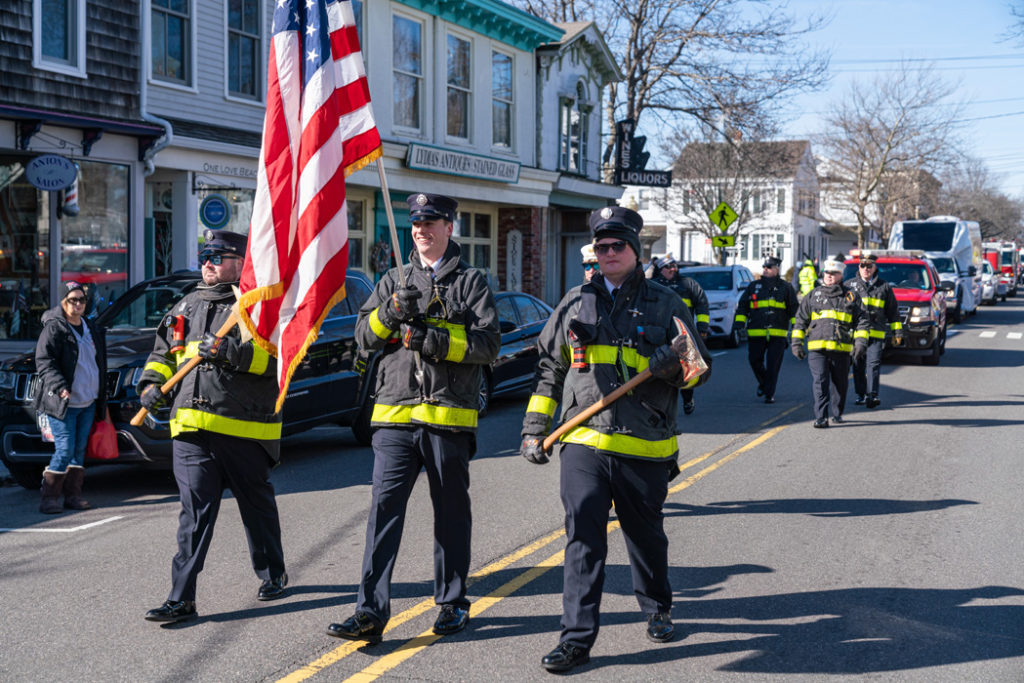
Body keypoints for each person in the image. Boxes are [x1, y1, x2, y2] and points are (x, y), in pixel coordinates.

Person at [519, 206, 712, 673]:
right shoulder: (573, 303)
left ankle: (657, 605)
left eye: (617, 246)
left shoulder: (667, 304)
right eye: (601, 247)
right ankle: (576, 638)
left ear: (635, 250)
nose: (608, 253)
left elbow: (699, 373)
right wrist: (534, 429)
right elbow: (550, 370)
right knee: (583, 537)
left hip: (644, 444)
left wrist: (676, 368)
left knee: (645, 538)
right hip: (583, 443)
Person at [327, 193, 500, 642]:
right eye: (415, 222)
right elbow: (364, 337)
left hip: (448, 421)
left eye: (430, 221)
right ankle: (369, 613)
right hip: (394, 419)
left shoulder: (471, 283)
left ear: (449, 227)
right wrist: (390, 312)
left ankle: (452, 603)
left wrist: (435, 341)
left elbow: (488, 347)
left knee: (450, 516)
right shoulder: (392, 280)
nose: (420, 229)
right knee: (382, 514)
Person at [140, 229, 287, 624]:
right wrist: (151, 386)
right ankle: (181, 598)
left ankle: (273, 572)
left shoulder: (258, 307)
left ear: (242, 263)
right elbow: (162, 355)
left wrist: (230, 353)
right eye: (206, 255)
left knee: (256, 509)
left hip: (245, 429)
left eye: (219, 256)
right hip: (190, 428)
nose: (208, 262)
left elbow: (277, 366)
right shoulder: (185, 305)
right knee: (193, 514)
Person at [33, 281, 107, 514]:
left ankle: (73, 496)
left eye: (81, 300)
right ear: (63, 302)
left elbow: (98, 361)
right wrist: (60, 386)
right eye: (72, 300)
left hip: (88, 400)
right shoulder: (55, 327)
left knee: (78, 450)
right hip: (63, 402)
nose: (77, 304)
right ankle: (49, 498)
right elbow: (44, 362)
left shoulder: (91, 327)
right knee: (64, 450)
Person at [791, 259, 869, 428]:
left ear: (841, 275)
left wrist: (861, 343)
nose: (829, 276)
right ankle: (821, 417)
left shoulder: (851, 296)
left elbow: (862, 320)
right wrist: (796, 343)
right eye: (827, 273)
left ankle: (837, 412)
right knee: (820, 381)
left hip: (842, 349)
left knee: (840, 384)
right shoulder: (813, 295)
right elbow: (800, 321)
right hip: (817, 349)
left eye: (833, 273)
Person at [735, 256, 798, 404]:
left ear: (777, 270)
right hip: (756, 332)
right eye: (764, 267)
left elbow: (793, 309)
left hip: (778, 333)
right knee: (754, 360)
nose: (765, 269)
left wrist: (796, 328)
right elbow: (743, 306)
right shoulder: (753, 286)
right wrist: (739, 324)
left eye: (769, 267)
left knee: (773, 365)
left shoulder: (786, 287)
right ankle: (764, 383)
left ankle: (769, 394)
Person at [651, 253, 709, 414]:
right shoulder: (652, 285)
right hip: (660, 335)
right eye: (668, 267)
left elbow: (702, 305)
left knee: (688, 368)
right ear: (660, 269)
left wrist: (702, 328)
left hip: (684, 334)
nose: (673, 269)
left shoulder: (688, 284)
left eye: (674, 266)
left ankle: (688, 398)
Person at [845, 253, 903, 408]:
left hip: (876, 333)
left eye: (869, 266)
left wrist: (897, 332)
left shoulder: (884, 287)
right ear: (859, 267)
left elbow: (893, 312)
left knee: (874, 364)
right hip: (856, 335)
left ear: (875, 267)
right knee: (858, 364)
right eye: (863, 266)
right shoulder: (849, 286)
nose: (866, 269)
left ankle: (872, 395)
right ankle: (861, 394)